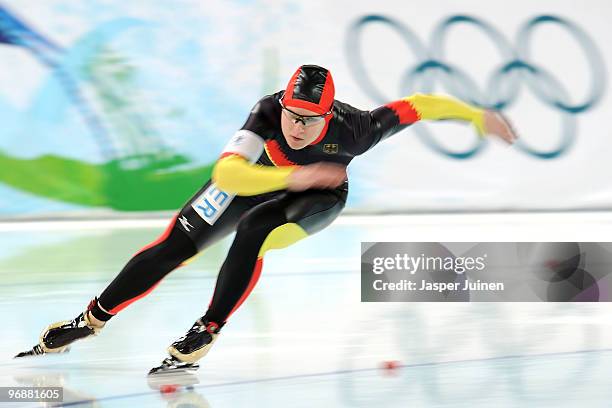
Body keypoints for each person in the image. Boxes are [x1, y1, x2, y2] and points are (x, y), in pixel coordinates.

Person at [15, 64, 517, 374]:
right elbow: (227, 174)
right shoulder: (264, 113)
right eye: (291, 114)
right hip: (263, 181)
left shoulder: (357, 129)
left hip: (317, 198)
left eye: (309, 119)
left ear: (328, 115)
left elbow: (420, 105)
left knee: (253, 232)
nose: (296, 127)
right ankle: (90, 319)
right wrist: (288, 176)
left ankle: (205, 332)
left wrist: (477, 116)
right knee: (175, 244)